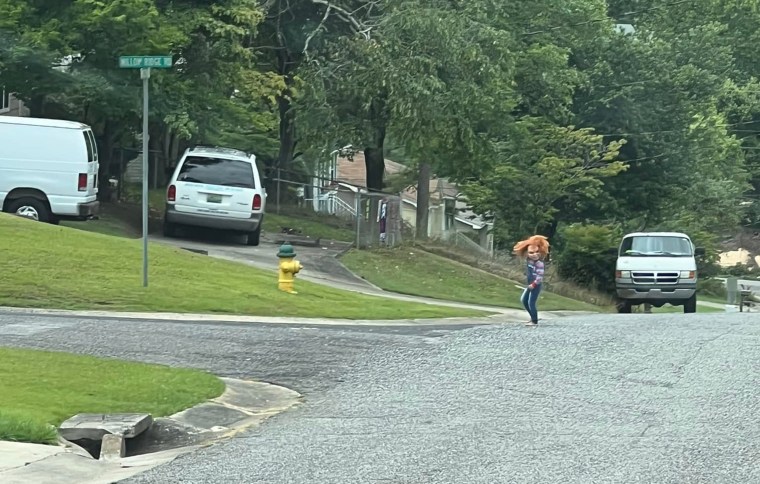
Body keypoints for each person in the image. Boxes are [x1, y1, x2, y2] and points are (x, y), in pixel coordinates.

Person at [513, 235, 550, 326]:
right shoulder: (529, 261)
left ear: (541, 251)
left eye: (537, 252)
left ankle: (534, 321)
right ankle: (533, 317)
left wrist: (533, 285)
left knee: (531, 302)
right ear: (527, 253)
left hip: (536, 285)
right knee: (524, 300)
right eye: (531, 252)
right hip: (530, 284)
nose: (535, 254)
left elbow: (539, 277)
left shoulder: (539, 264)